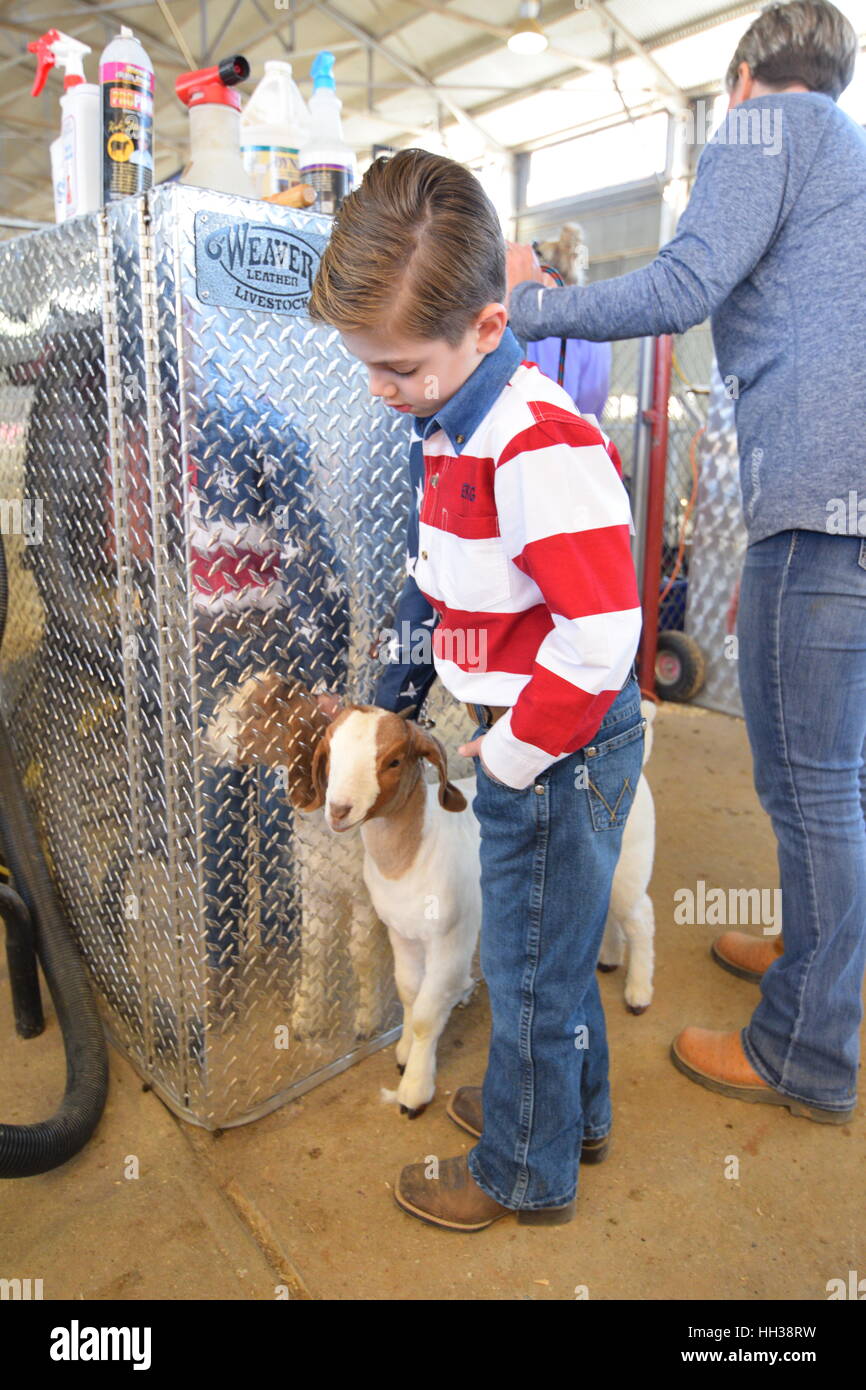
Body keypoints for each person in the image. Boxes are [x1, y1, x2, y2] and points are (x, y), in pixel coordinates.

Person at [507, 0, 866, 1123]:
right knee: (837, 774)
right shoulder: (848, 155)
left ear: (743, 74)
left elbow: (680, 286)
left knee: (805, 781)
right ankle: (821, 970)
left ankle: (804, 1048)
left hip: (816, 496)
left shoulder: (765, 129)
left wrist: (525, 304)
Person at [308, 147, 644, 1230]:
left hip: (555, 743)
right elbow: (432, 579)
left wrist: (501, 766)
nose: (380, 387)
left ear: (487, 329)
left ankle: (520, 1169)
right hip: (520, 731)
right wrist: (387, 689)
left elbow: (600, 637)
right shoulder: (446, 425)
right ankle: (566, 1115)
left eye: (398, 366)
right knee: (553, 948)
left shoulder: (534, 443)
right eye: (368, 364)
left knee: (525, 969)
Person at [524, 223, 612, 419]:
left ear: (542, 273)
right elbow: (595, 392)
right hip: (581, 432)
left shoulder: (534, 319)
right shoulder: (593, 320)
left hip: (533, 431)